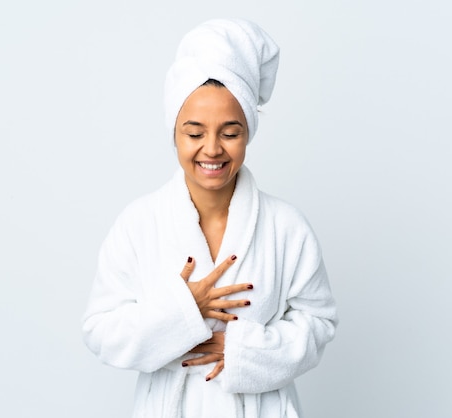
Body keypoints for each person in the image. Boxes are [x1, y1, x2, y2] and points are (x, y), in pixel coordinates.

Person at [82, 18, 338, 418]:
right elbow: (100, 331)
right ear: (175, 133)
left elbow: (318, 323)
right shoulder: (139, 224)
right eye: (194, 132)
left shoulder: (286, 227)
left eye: (230, 132)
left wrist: (245, 352)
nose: (212, 149)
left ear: (249, 133)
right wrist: (184, 310)